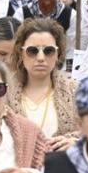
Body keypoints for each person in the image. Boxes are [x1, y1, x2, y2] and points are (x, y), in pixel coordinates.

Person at [6, 18, 80, 151]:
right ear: (21, 54)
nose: (41, 58)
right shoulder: (2, 93)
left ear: (58, 54)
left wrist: (76, 143)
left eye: (49, 51)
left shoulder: (76, 91)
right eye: (33, 51)